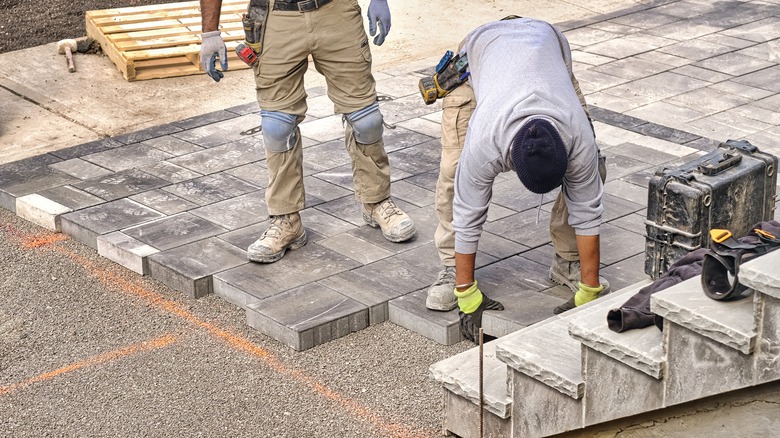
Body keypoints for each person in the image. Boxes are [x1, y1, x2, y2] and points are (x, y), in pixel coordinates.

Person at [422, 17, 610, 342]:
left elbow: (588, 209)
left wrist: (590, 290)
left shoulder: (577, 138)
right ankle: (454, 270)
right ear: (508, 158)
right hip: (481, 49)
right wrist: (468, 297)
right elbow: (469, 212)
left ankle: (569, 263)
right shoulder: (485, 143)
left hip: (545, 43)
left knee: (595, 167)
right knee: (455, 171)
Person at [198, 0, 416, 263]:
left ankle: (377, 201)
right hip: (275, 18)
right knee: (277, 126)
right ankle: (286, 219)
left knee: (366, 120)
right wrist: (210, 33)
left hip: (336, 12)